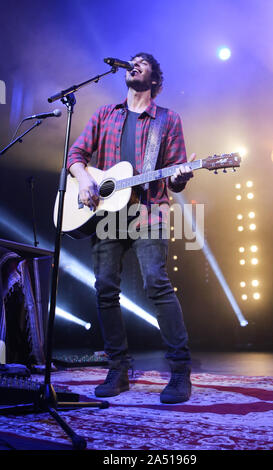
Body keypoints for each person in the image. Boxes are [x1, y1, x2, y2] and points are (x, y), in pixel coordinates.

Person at [67, 52, 195, 403]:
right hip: (107, 213)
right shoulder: (105, 114)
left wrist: (182, 176)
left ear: (154, 79)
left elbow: (175, 176)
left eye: (143, 62)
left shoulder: (167, 120)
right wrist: (84, 180)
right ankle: (118, 370)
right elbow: (76, 156)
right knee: (105, 288)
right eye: (132, 60)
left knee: (156, 282)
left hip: (149, 211)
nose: (134, 63)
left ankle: (180, 372)